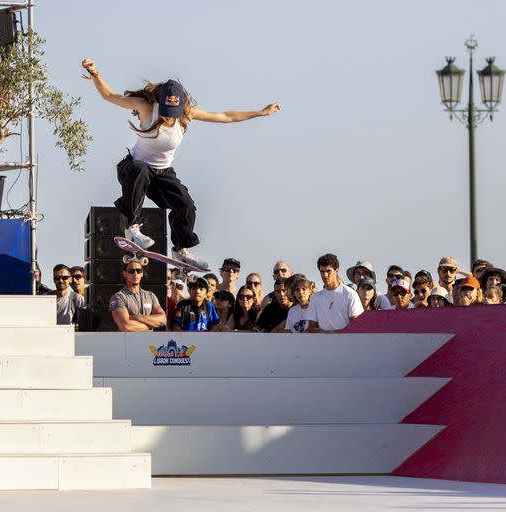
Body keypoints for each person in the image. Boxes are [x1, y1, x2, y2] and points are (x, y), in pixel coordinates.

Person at [81, 59, 279, 269]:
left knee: (186, 205)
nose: (168, 118)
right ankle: (132, 227)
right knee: (140, 168)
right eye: (166, 112)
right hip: (134, 169)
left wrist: (260, 112)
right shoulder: (146, 107)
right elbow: (110, 96)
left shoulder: (187, 115)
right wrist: (95, 74)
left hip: (163, 174)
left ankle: (181, 249)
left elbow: (225, 116)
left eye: (172, 114)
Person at [305, 254, 364, 332]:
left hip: (347, 342)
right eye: (322, 271)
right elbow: (311, 328)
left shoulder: (350, 294)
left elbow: (356, 326)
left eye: (328, 271)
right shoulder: (315, 297)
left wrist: (334, 334)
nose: (325, 275)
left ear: (337, 270)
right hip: (322, 343)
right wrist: (326, 334)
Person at [109, 259, 166, 331]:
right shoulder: (118, 297)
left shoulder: (151, 295)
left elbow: (163, 319)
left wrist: (136, 317)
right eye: (131, 271)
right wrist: (151, 325)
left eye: (139, 271)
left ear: (142, 273)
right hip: (129, 342)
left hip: (149, 341)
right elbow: (126, 327)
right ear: (124, 273)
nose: (135, 274)